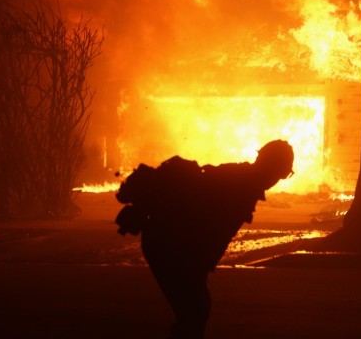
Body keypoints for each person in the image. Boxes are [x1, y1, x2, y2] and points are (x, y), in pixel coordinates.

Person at [116, 140, 294, 338]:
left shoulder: (243, 181)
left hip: (176, 248)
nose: (277, 180)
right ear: (269, 165)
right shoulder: (237, 182)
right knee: (194, 312)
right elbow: (196, 213)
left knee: (194, 312)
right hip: (169, 246)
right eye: (281, 173)